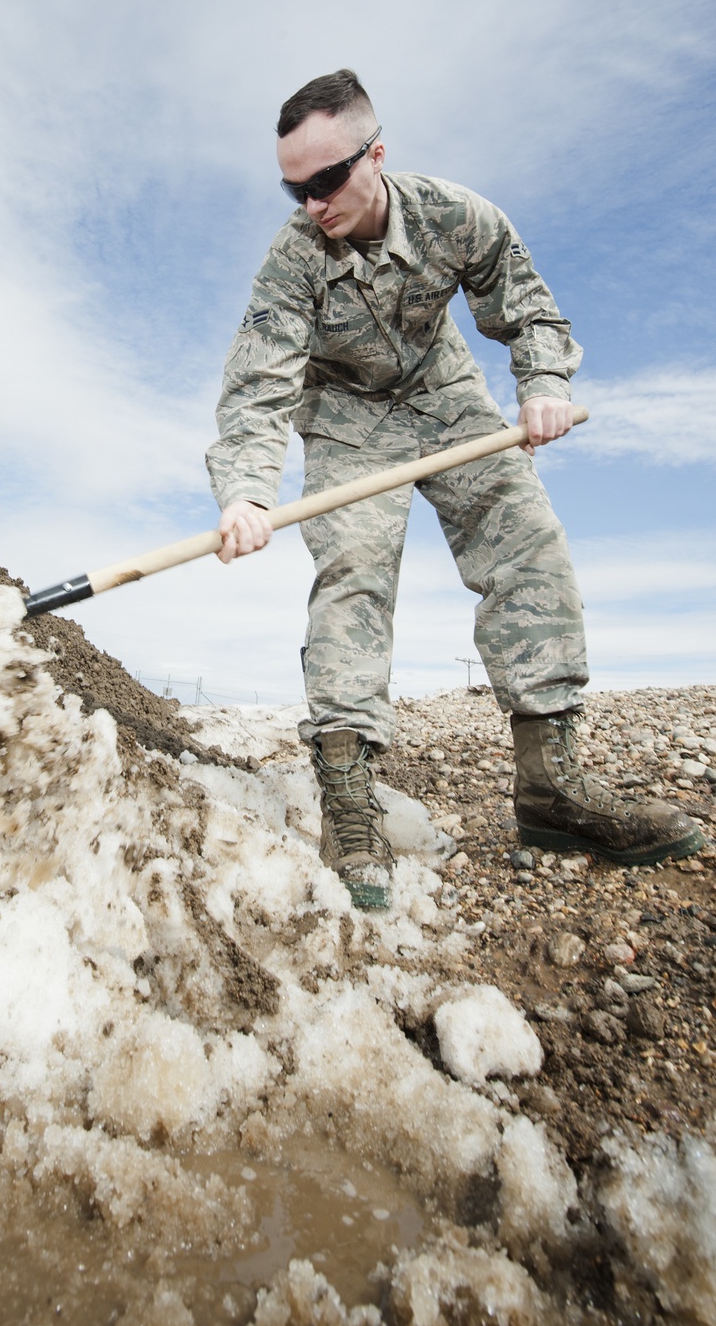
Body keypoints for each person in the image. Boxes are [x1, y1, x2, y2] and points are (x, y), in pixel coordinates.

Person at [206, 69, 701, 908]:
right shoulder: (292, 264)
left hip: (445, 396)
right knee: (354, 568)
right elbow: (259, 386)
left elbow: (529, 309)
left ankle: (552, 792)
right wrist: (248, 493)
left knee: (527, 543)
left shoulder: (456, 215)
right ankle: (349, 800)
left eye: (326, 181)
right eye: (293, 188)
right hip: (347, 418)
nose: (311, 204)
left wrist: (542, 383)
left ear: (377, 155)